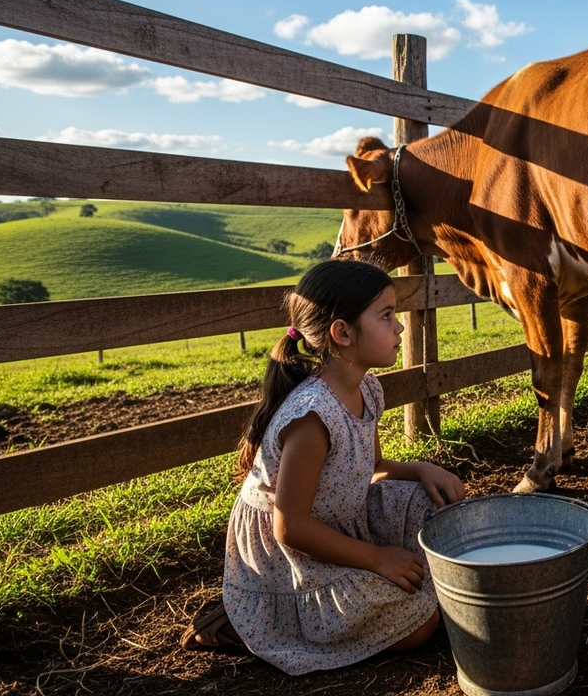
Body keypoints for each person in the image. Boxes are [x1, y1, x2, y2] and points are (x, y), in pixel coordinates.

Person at [180, 259, 465, 675]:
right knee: (419, 626)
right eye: (387, 316)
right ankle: (245, 622)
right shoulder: (312, 418)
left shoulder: (366, 386)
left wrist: (422, 469)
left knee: (442, 511)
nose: (400, 327)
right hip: (290, 558)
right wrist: (376, 558)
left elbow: (374, 465)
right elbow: (290, 528)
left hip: (338, 519)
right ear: (343, 333)